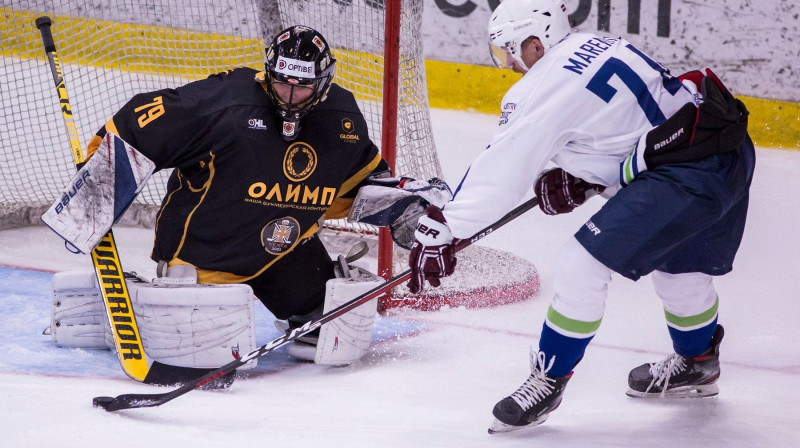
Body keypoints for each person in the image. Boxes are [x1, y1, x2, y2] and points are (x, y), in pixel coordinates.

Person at [406, 0, 753, 433]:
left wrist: (444, 228)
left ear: (536, 42)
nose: (509, 65)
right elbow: (633, 126)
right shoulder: (597, 43)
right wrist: (587, 176)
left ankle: (548, 380)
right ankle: (699, 362)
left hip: (686, 178)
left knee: (580, 263)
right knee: (681, 270)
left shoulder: (542, 86)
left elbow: (501, 172)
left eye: (509, 51)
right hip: (727, 150)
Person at [43, 25, 445, 381]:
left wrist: (404, 212)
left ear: (323, 84)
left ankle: (171, 305)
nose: (289, 95)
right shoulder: (225, 103)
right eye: (281, 82)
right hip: (208, 252)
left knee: (338, 335)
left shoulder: (341, 120)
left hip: (283, 252)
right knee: (202, 359)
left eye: (301, 87)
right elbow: (140, 121)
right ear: (268, 72)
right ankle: (138, 301)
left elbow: (357, 183)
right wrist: (101, 170)